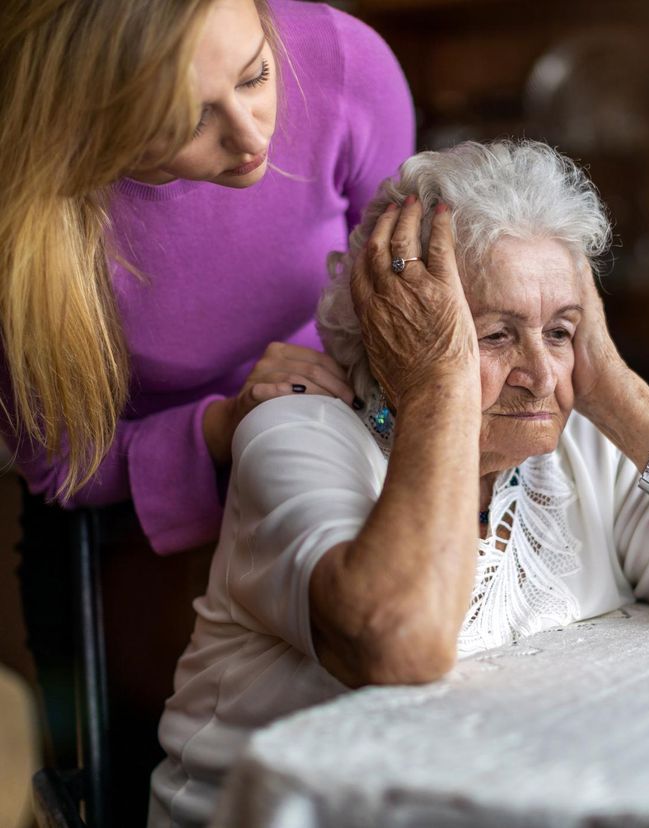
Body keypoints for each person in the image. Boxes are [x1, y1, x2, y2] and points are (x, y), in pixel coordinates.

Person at [150, 140, 649, 826]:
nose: (542, 377)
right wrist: (438, 383)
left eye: (561, 332)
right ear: (399, 331)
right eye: (497, 335)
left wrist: (616, 390)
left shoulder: (576, 446)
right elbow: (400, 642)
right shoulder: (299, 432)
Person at [1, 0, 412, 821]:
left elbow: (407, 293)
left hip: (330, 459)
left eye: (256, 76)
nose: (253, 136)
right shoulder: (21, 194)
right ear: (86, 126)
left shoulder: (340, 61)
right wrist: (222, 427)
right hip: (120, 526)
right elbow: (57, 461)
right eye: (185, 121)